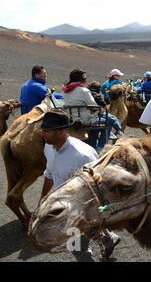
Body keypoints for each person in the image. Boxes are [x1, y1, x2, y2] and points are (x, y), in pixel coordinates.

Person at [36, 109, 120, 262]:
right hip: (65, 205)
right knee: (85, 235)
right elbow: (49, 173)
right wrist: (43, 197)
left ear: (61, 132)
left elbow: (99, 185)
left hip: (84, 208)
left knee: (75, 247)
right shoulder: (49, 147)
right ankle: (110, 239)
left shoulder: (82, 156)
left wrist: (106, 215)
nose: (42, 133)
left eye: (46, 130)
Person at [62, 68, 108, 152]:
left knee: (98, 122)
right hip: (85, 120)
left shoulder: (65, 90)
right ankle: (101, 146)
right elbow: (94, 106)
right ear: (81, 80)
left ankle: (94, 145)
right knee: (107, 121)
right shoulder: (84, 91)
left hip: (72, 119)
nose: (86, 80)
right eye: (85, 78)